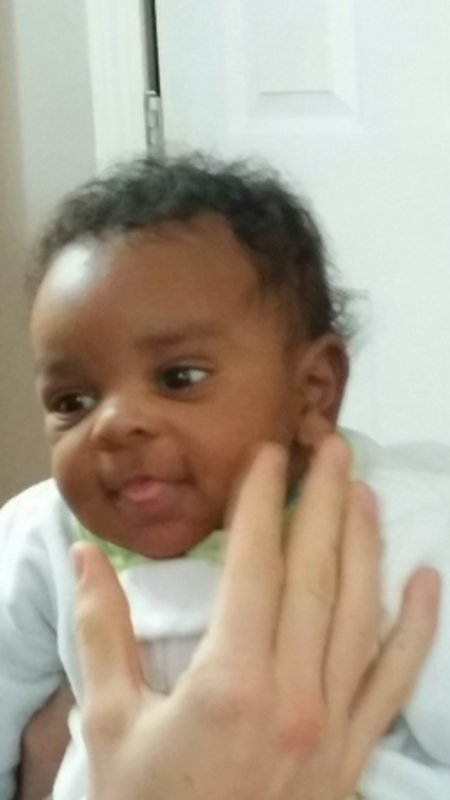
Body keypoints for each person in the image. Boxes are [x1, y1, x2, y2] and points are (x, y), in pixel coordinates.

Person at [0, 153, 448, 799]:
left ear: (313, 391)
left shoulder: (405, 536)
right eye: (73, 400)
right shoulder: (42, 535)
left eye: (178, 378)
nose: (113, 424)